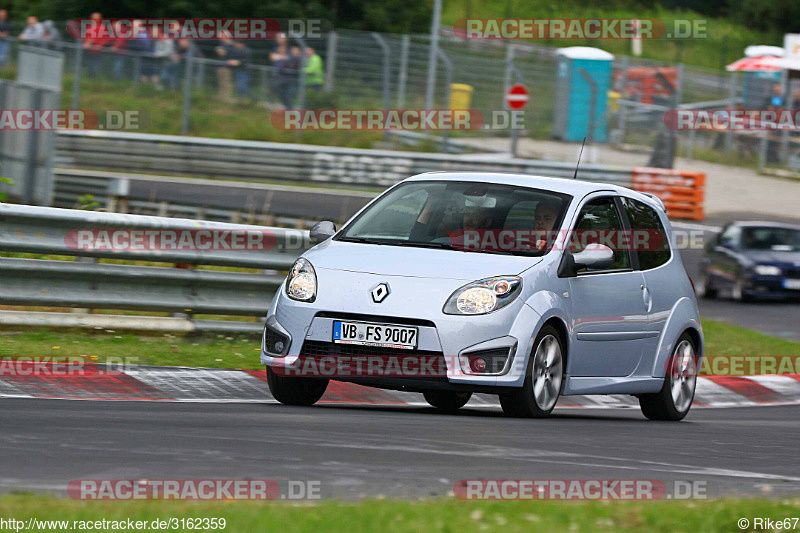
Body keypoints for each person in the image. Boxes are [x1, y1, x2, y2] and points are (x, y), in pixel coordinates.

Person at [82, 12, 110, 77]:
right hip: (89, 49)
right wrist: (86, 42)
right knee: (89, 63)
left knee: (95, 64)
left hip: (97, 50)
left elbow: (105, 38)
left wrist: (100, 44)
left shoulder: (102, 27)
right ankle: (90, 76)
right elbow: (86, 36)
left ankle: (94, 77)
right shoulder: (90, 26)